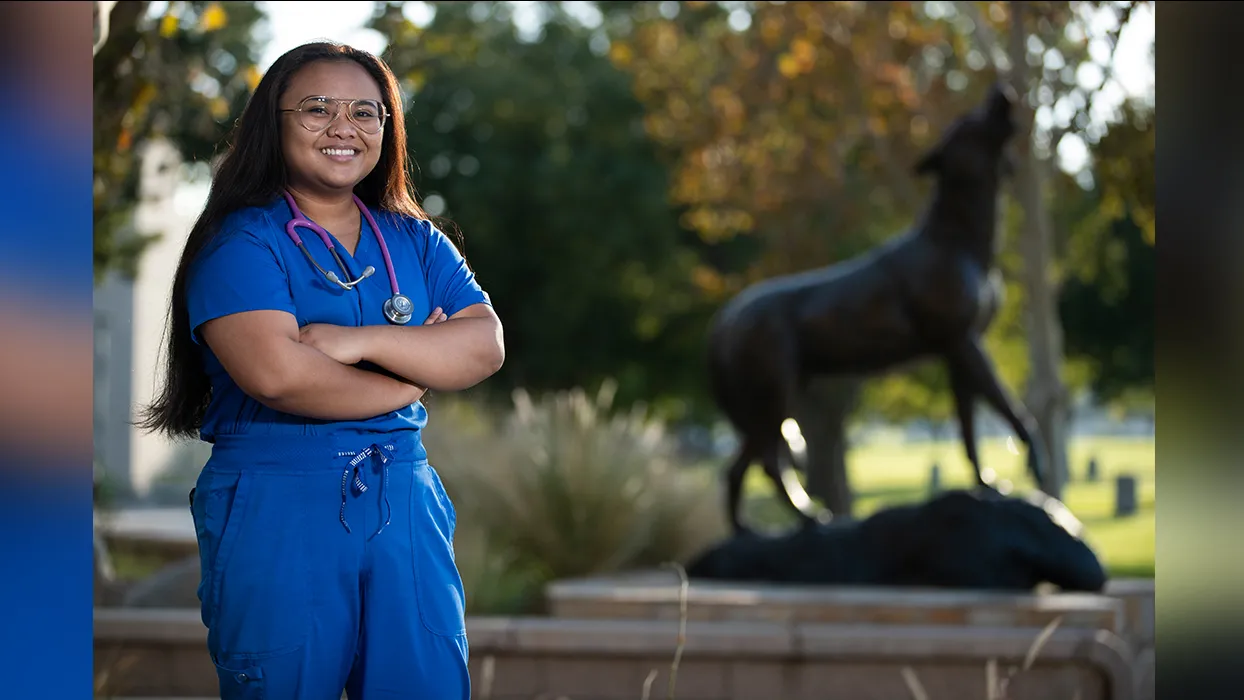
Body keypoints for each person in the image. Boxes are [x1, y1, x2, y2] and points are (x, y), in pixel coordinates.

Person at [137, 41, 505, 700]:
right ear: (272, 124)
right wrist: (413, 370)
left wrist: (350, 339)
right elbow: (279, 376)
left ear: (386, 130)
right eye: (317, 109)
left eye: (366, 112)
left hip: (404, 498)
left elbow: (483, 346)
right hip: (279, 499)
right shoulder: (241, 243)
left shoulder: (415, 238)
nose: (345, 128)